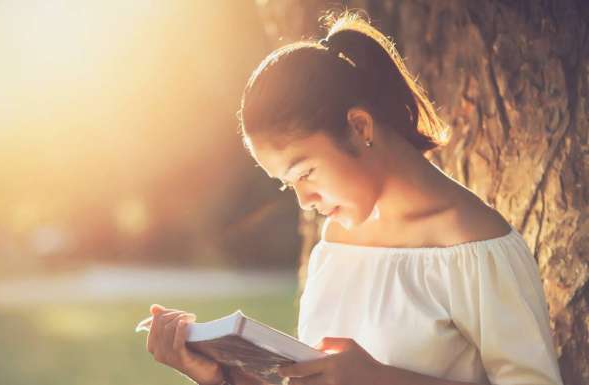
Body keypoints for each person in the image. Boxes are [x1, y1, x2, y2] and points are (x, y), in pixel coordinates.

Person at [144, 9, 564, 385]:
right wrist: (222, 378)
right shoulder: (336, 243)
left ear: (360, 127)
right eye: (288, 184)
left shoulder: (474, 248)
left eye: (305, 172)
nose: (305, 199)